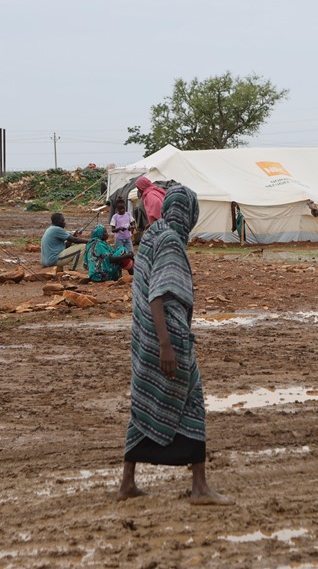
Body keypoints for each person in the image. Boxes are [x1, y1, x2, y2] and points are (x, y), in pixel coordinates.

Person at [118, 186, 231, 505]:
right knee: (192, 400)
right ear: (189, 213)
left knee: (142, 405)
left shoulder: (154, 234)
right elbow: (159, 293)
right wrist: (166, 346)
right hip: (167, 337)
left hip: (143, 338)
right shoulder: (169, 242)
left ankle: (127, 482)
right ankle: (200, 487)